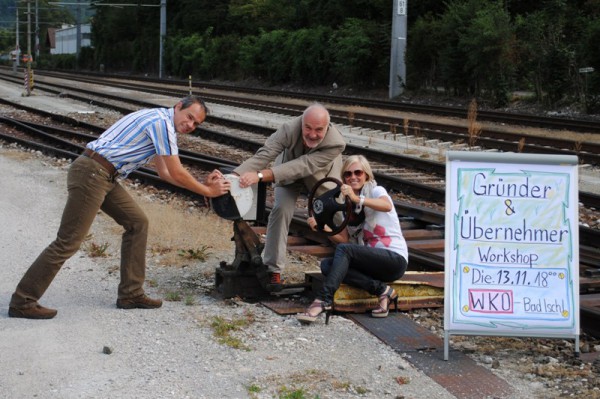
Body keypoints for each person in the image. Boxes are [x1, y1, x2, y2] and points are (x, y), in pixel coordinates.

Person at [8, 95, 231, 319]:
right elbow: (177, 171)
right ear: (178, 107)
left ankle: (131, 294)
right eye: (189, 117)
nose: (190, 125)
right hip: (93, 173)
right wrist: (208, 191)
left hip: (104, 175)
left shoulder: (161, 122)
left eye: (196, 124)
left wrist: (201, 187)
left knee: (137, 223)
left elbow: (165, 173)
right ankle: (23, 301)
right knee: (68, 241)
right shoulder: (162, 123)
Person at [236, 103, 346, 288]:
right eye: (308, 128)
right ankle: (273, 269)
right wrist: (235, 175)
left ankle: (348, 260)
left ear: (327, 127)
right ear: (301, 122)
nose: (312, 134)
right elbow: (266, 153)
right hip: (286, 170)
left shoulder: (336, 143)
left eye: (319, 130)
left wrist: (262, 175)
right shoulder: (288, 129)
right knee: (280, 210)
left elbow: (304, 165)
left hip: (321, 173)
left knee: (337, 215)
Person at [297, 155, 408, 324]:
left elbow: (387, 206)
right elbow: (345, 242)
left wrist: (358, 199)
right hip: (373, 263)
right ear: (343, 180)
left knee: (343, 252)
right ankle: (382, 290)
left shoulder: (376, 191)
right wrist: (322, 228)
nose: (353, 177)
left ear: (366, 175)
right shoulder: (348, 208)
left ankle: (323, 300)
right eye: (348, 174)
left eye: (358, 172)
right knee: (327, 264)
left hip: (394, 260)